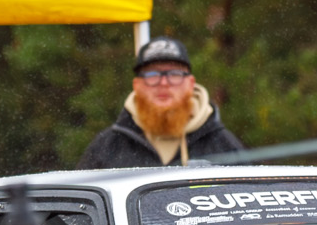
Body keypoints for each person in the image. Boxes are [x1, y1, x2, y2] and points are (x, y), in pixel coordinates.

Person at [79, 36, 246, 168]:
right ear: (137, 85)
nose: (164, 83)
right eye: (152, 75)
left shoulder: (224, 145)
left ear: (190, 84)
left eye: (174, 74)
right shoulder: (107, 148)